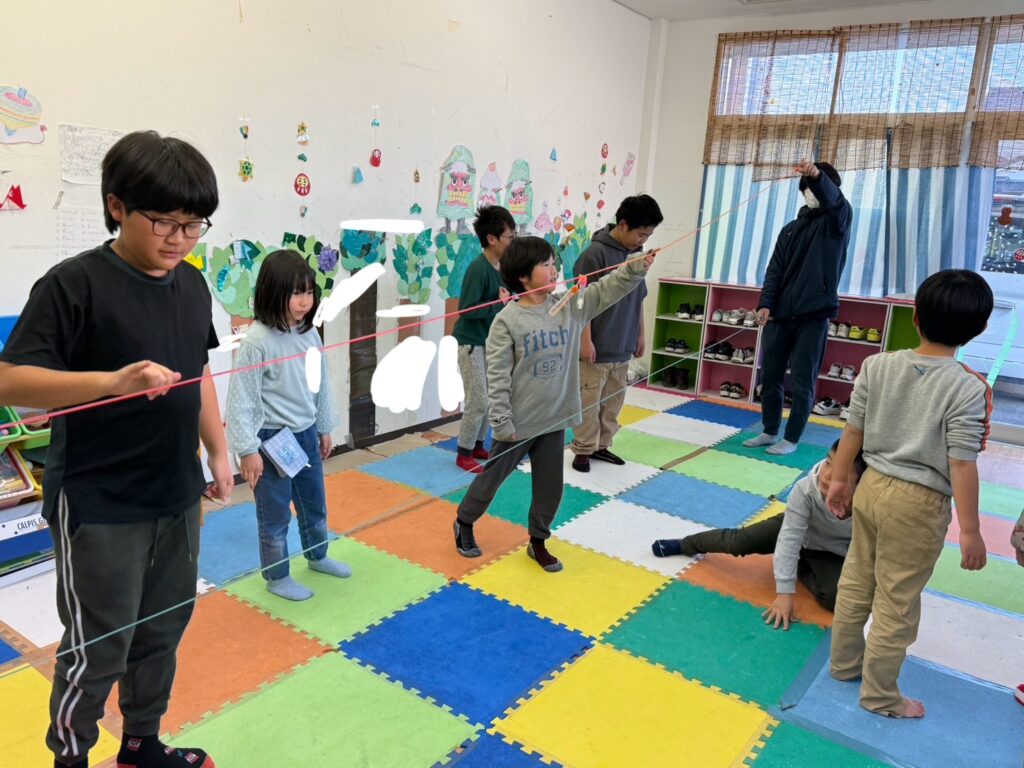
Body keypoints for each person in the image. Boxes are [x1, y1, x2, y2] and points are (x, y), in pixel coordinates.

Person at [0, 131, 232, 768]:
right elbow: (9, 381)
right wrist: (110, 383)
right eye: (164, 222)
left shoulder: (191, 286)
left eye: (193, 224)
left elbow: (199, 372)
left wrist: (218, 450)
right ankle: (71, 758)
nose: (180, 239)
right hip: (98, 500)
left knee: (163, 628)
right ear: (116, 207)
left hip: (176, 491)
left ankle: (140, 746)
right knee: (99, 643)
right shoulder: (73, 285)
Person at [827, 269, 993, 719]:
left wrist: (840, 479)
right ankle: (880, 695)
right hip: (918, 504)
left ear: (915, 317)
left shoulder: (877, 365)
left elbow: (853, 429)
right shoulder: (968, 387)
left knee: (857, 579)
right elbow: (962, 463)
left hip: (870, 486)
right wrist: (972, 530)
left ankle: (843, 665)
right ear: (979, 329)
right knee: (896, 602)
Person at [453, 236, 656, 571]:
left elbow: (605, 290)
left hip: (554, 419)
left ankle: (538, 541)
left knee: (550, 488)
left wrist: (634, 269)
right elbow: (497, 377)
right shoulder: (507, 321)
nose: (553, 270)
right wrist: (502, 421)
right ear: (523, 276)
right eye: (545, 265)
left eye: (553, 264)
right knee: (491, 481)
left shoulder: (569, 307)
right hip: (517, 424)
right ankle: (464, 520)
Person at [225, 250, 349, 602]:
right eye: (296, 293)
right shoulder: (256, 341)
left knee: (314, 503)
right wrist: (247, 450)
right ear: (273, 291)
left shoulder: (309, 334)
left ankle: (318, 555)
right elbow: (241, 399)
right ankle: (277, 576)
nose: (304, 301)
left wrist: (323, 427)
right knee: (275, 514)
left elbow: (320, 384)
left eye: (309, 292)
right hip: (271, 440)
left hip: (305, 433)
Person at [652, 440, 866, 628]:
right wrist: (784, 594)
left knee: (836, 599)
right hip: (796, 528)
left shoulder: (868, 504)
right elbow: (789, 537)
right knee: (738, 542)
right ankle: (687, 544)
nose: (827, 475)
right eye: (828, 462)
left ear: (861, 482)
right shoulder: (807, 489)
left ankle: (800, 564)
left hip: (830, 550)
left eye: (841, 471)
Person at [745, 161, 852, 457]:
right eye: (806, 189)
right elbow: (774, 271)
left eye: (815, 188)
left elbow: (834, 201)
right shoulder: (790, 230)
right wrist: (765, 304)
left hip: (814, 314)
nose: (811, 194)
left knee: (803, 379)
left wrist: (817, 176)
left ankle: (791, 438)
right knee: (770, 376)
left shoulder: (837, 223)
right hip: (780, 314)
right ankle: (769, 430)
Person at [571, 195, 663, 472]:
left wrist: (640, 334)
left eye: (648, 236)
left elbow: (638, 298)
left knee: (613, 402)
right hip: (596, 347)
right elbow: (580, 301)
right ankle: (583, 449)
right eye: (641, 234)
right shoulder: (594, 255)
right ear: (623, 225)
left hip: (622, 345)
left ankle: (602, 445)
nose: (643, 241)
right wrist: (585, 340)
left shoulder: (636, 256)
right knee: (589, 402)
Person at [452, 205, 515, 473]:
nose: (512, 241)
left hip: (491, 343)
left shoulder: (503, 267)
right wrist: (499, 304)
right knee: (477, 400)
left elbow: (507, 299)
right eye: (509, 237)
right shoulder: (478, 268)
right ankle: (464, 452)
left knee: (492, 398)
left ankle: (478, 444)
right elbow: (466, 309)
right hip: (471, 343)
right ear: (492, 239)